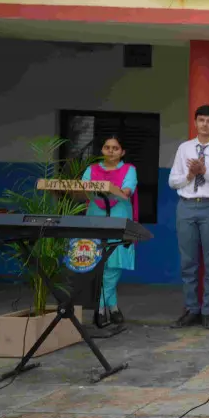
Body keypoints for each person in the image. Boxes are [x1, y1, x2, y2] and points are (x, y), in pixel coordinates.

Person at [168, 105, 209, 330]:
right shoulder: (184, 148)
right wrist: (190, 175)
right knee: (188, 261)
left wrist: (205, 172)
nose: (205, 124)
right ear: (195, 122)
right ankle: (191, 309)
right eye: (201, 120)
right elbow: (172, 181)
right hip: (186, 205)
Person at [82, 135, 138, 319]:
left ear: (122, 152)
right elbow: (83, 190)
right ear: (102, 150)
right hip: (94, 219)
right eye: (107, 147)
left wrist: (116, 189)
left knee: (114, 264)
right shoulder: (91, 169)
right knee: (97, 264)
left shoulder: (129, 170)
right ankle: (113, 307)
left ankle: (100, 307)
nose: (111, 151)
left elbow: (126, 191)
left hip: (118, 218)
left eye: (115, 148)